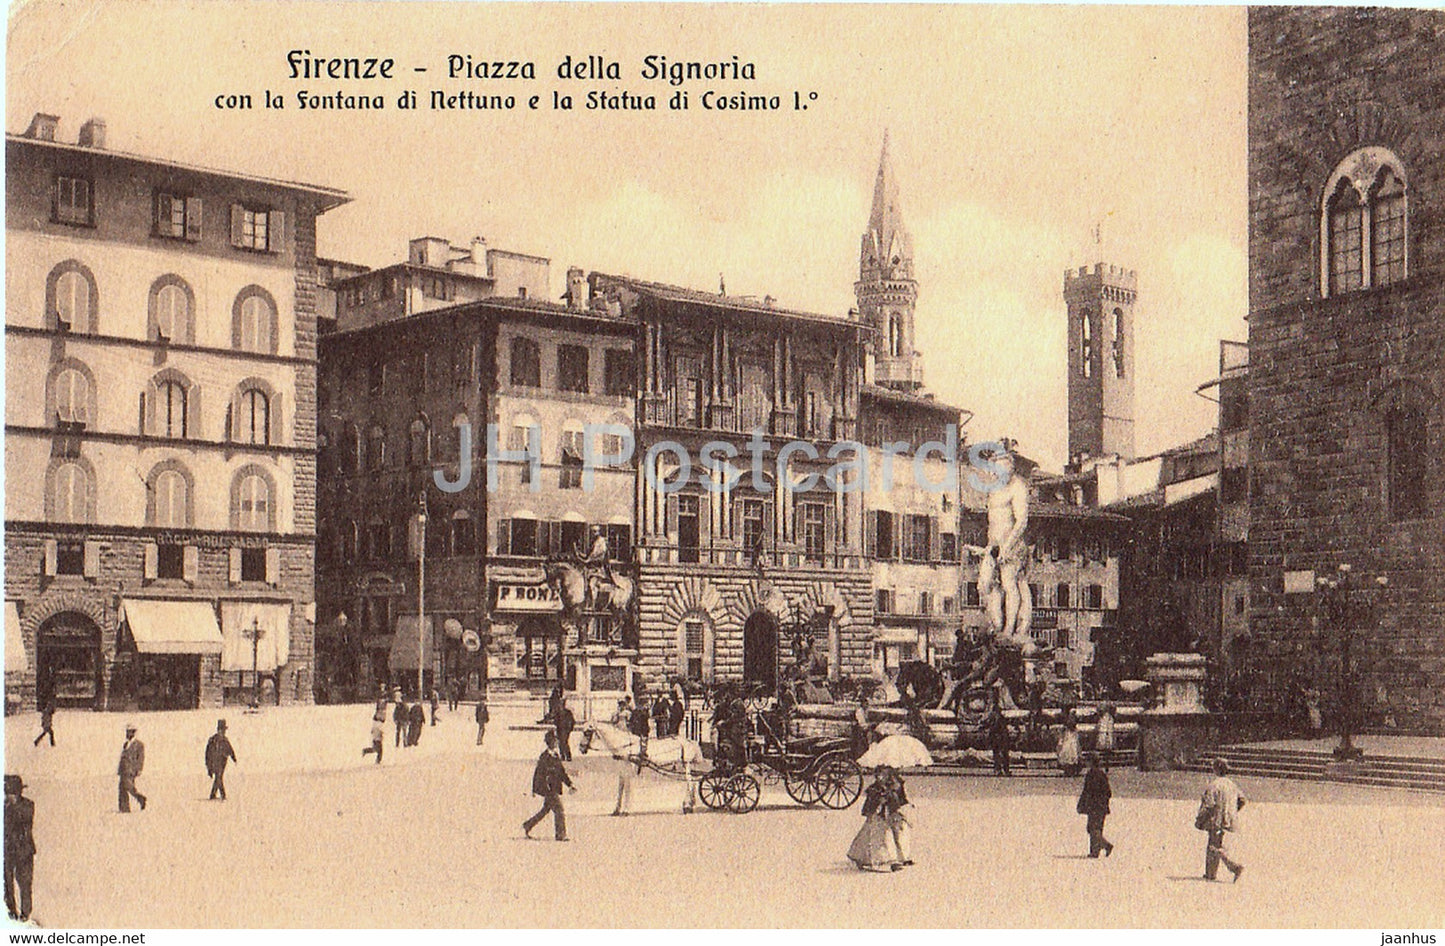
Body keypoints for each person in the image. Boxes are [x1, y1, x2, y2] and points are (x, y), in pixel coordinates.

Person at [978, 442, 1032, 644]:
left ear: (1008, 466)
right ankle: (996, 625)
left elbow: (1022, 521)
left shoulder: (1017, 486)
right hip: (994, 544)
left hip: (1012, 544)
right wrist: (989, 546)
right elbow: (993, 520)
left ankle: (1010, 628)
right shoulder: (994, 489)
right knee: (986, 585)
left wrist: (1008, 546)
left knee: (1010, 585)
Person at [847, 766, 910, 871]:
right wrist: (879, 800)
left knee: (892, 836)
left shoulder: (895, 785)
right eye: (880, 775)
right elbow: (870, 802)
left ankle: (897, 859)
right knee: (876, 837)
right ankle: (889, 861)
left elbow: (900, 800)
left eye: (885, 775)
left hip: (890, 814)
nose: (882, 778)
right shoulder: (874, 789)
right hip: (878, 815)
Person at [1197, 758, 1246, 882]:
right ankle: (1210, 873)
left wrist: (1201, 819)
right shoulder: (1231, 784)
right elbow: (1242, 800)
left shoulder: (1214, 785)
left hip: (1216, 819)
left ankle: (1234, 867)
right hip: (1228, 819)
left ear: (1216, 769)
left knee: (1213, 845)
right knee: (1215, 843)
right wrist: (1233, 811)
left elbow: (1209, 805)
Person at [523, 730, 573, 842]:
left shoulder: (555, 755)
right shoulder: (544, 757)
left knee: (545, 810)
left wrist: (570, 784)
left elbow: (561, 773)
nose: (556, 742)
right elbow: (538, 773)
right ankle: (561, 835)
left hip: (554, 788)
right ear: (549, 742)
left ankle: (528, 825)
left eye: (556, 741)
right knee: (559, 810)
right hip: (549, 789)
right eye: (554, 741)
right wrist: (537, 789)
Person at [5, 775, 36, 922]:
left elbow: (24, 824)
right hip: (8, 850)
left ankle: (25, 912)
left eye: (11, 794)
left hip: (24, 851)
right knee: (7, 882)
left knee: (24, 882)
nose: (9, 797)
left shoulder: (27, 806)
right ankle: (10, 910)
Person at [1076, 753, 1114, 857]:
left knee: (1092, 828)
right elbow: (1108, 792)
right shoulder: (1102, 774)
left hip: (1093, 806)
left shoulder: (1091, 774)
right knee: (1098, 828)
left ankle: (1106, 845)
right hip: (1102, 806)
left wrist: (1082, 803)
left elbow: (1087, 791)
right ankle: (1095, 851)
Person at [204, 719, 238, 801]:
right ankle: (223, 795)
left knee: (218, 777)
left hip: (222, 762)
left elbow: (230, 749)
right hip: (214, 762)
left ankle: (213, 794)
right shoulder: (213, 740)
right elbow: (208, 753)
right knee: (218, 777)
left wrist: (233, 758)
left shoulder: (224, 740)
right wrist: (208, 764)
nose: (223, 732)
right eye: (222, 730)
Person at [117, 723, 147, 813]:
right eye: (127, 732)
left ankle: (141, 798)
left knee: (129, 787)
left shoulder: (139, 744)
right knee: (122, 788)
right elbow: (123, 756)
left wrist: (139, 769)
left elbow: (141, 758)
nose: (127, 734)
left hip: (131, 770)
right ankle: (124, 808)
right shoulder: (126, 743)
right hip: (123, 769)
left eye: (129, 732)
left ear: (133, 733)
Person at [986, 708, 1012, 777]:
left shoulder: (997, 718)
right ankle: (1001, 769)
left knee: (1001, 754)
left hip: (1000, 737)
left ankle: (1001, 769)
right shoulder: (998, 719)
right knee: (1001, 754)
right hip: (999, 737)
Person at [1057, 713, 1082, 777]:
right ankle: (1068, 770)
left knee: (1072, 755)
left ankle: (1072, 770)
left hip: (1072, 743)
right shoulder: (1065, 731)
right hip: (1067, 743)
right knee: (1067, 755)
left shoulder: (1075, 732)